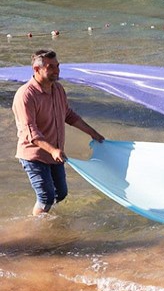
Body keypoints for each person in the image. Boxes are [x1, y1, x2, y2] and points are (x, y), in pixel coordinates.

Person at [13, 49, 105, 216]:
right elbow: (30, 131)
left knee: (60, 194)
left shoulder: (58, 89)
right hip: (34, 154)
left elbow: (67, 115)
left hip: (55, 154)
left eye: (58, 66)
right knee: (46, 196)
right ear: (36, 69)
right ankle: (36, 229)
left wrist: (93, 133)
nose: (57, 71)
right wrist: (53, 150)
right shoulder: (25, 95)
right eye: (51, 67)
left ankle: (47, 219)